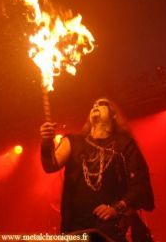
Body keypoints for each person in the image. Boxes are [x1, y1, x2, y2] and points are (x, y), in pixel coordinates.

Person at [40, 98, 155, 242]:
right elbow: (50, 165)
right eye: (94, 104)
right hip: (76, 228)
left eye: (102, 104)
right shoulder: (73, 141)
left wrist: (116, 208)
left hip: (110, 229)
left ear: (113, 115)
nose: (96, 105)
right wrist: (46, 142)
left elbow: (140, 184)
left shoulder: (124, 145)